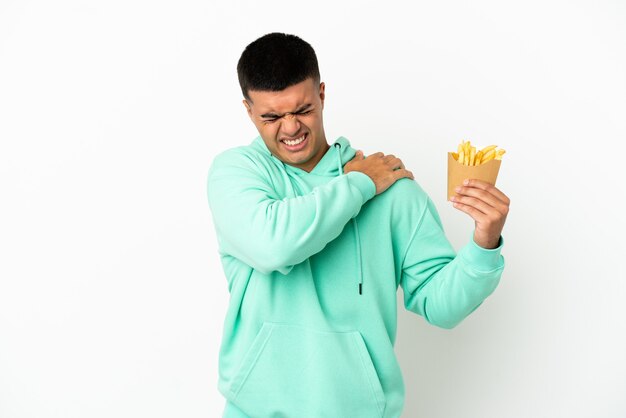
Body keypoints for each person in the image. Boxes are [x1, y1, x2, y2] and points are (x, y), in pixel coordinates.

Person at [206, 32, 510, 418]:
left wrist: (484, 245)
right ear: (249, 111)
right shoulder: (238, 174)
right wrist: (359, 185)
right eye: (271, 116)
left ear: (322, 94)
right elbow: (274, 245)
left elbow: (441, 305)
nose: (290, 128)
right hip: (255, 411)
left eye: (302, 109)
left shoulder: (393, 193)